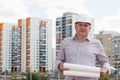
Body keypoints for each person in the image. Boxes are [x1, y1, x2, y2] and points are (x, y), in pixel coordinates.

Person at [55, 14, 111, 80]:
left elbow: (105, 62)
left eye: (85, 25)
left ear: (89, 28)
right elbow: (59, 60)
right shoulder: (65, 42)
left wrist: (105, 69)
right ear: (75, 27)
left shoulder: (96, 43)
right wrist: (59, 65)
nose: (82, 27)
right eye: (80, 25)